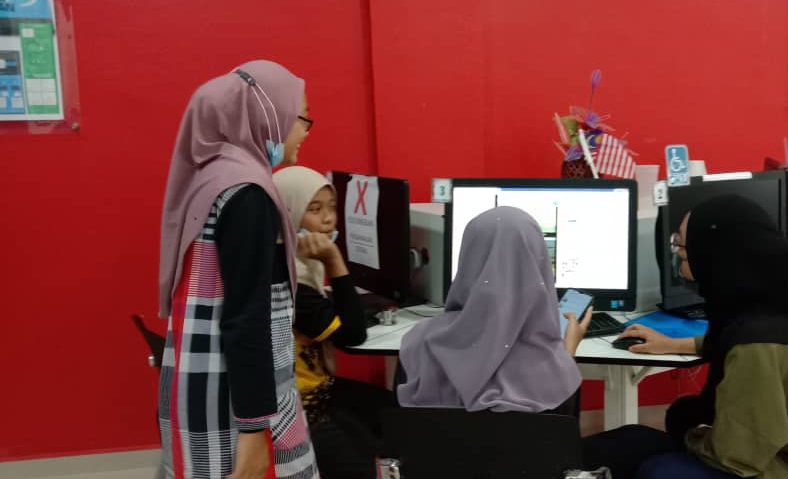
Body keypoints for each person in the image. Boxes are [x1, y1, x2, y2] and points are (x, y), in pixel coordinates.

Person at [585, 195, 788, 479]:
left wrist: (692, 433)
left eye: (683, 252)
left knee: (660, 469)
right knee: (642, 436)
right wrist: (672, 344)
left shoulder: (756, 347)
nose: (680, 266)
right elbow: (735, 342)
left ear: (715, 260)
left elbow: (736, 457)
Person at [157, 60, 317, 479]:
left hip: (202, 382)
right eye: (301, 117)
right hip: (236, 402)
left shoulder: (212, 177)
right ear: (267, 115)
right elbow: (248, 319)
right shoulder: (249, 194)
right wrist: (254, 429)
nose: (305, 130)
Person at [396, 206, 591, 415]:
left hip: (436, 438)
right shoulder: (553, 369)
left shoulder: (418, 343)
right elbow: (559, 428)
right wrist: (567, 352)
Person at [272, 166, 397, 479]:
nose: (328, 220)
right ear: (286, 216)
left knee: (393, 411)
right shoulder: (290, 284)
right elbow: (352, 335)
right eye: (314, 210)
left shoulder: (288, 263)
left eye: (331, 208)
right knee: (386, 426)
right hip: (301, 408)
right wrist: (335, 261)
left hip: (317, 390)